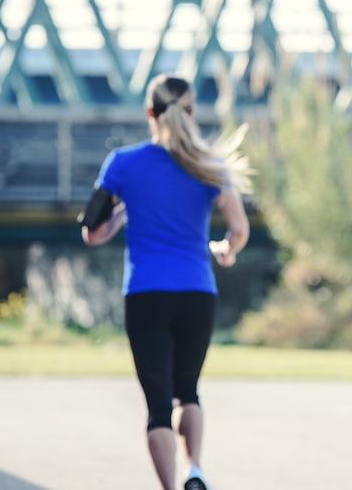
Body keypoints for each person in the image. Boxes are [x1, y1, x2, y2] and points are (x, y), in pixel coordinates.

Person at [80, 74, 253, 490]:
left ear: (148, 112)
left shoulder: (122, 163)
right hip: (197, 293)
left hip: (146, 294)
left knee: (158, 407)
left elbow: (91, 231)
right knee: (188, 391)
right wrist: (226, 251)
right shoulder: (210, 164)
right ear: (192, 112)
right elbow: (239, 230)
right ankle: (195, 470)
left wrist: (126, 210)